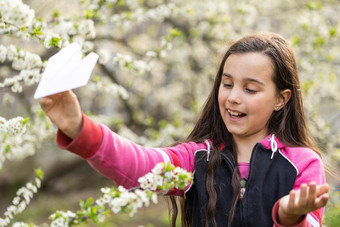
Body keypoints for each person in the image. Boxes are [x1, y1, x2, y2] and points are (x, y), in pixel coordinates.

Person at [40, 32, 329, 227]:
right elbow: (139, 165)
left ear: (281, 99)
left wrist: (290, 217)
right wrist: (79, 127)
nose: (233, 97)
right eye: (227, 84)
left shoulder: (302, 163)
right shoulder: (196, 159)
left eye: (250, 89)